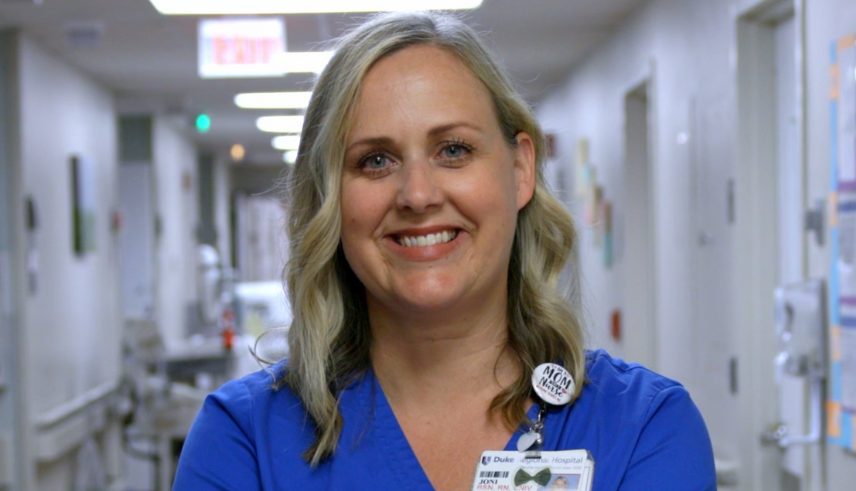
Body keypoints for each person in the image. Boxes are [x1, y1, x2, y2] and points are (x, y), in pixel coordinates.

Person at [174, 10, 714, 491]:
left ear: (521, 168)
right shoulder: (244, 437)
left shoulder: (643, 427)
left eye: (453, 150)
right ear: (330, 199)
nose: (418, 195)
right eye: (375, 161)